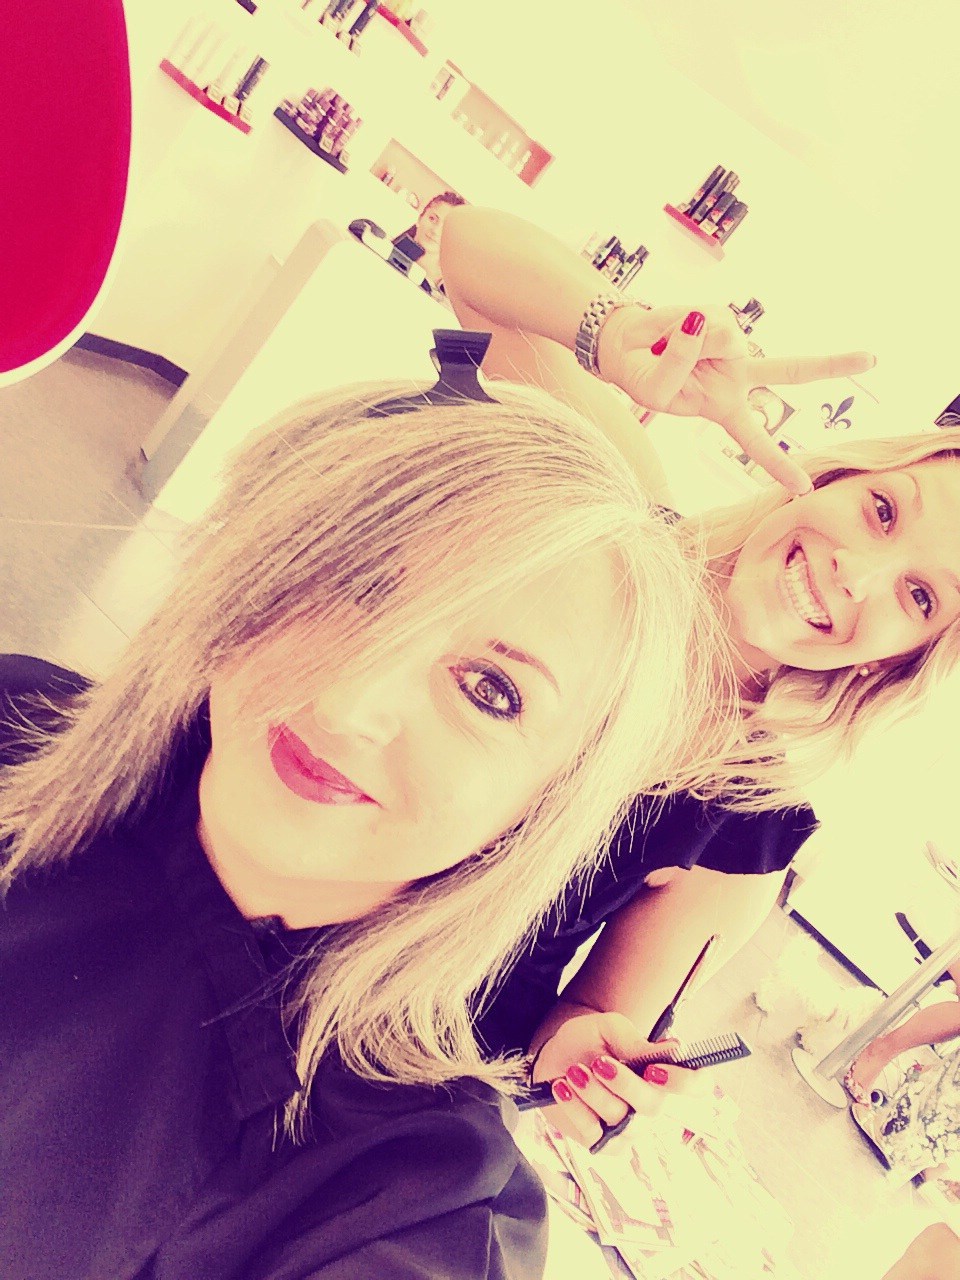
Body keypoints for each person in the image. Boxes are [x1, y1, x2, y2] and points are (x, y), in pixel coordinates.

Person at [0, 372, 736, 1280]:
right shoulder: (17, 719)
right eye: (359, 586)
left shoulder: (412, 1196)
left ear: (543, 809)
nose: (350, 702)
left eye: (490, 692)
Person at [438, 205, 960, 1148]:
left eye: (920, 597)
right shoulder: (622, 509)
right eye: (884, 512)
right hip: (243, 892)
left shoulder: (750, 819)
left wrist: (583, 1056)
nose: (859, 576)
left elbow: (585, 1021)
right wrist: (618, 334)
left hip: (397, 1080)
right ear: (833, 477)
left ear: (905, 657)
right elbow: (469, 253)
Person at [395, 191, 466, 294]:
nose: (435, 230)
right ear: (420, 218)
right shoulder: (383, 249)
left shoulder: (450, 292)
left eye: (446, 228)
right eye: (432, 219)